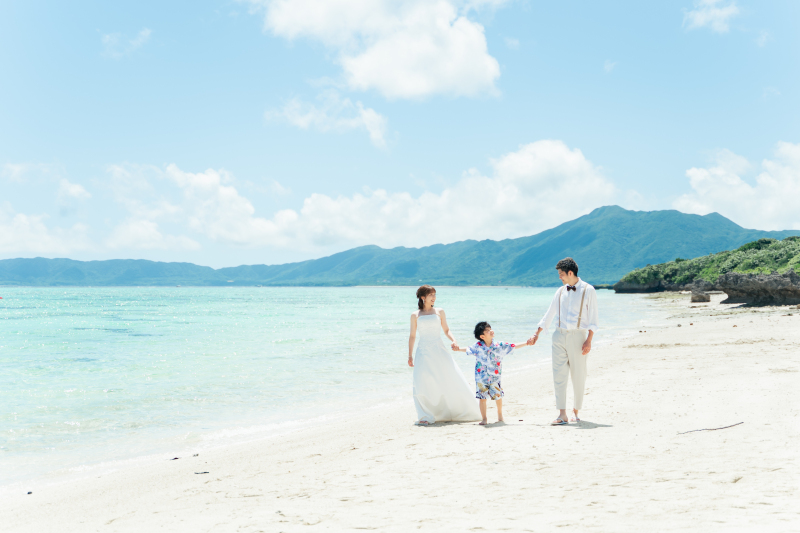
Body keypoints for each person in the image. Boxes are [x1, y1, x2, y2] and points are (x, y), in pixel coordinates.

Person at [529, 258, 598, 426]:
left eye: (561, 274)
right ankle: (562, 414)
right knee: (559, 375)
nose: (559, 277)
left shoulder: (589, 290)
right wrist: (536, 333)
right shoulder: (560, 291)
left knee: (578, 375)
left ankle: (576, 411)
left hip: (578, 337)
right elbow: (549, 314)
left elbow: (593, 320)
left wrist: (589, 340)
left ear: (570, 273)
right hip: (558, 336)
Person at [408, 285, 481, 426]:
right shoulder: (415, 315)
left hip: (439, 349)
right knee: (423, 381)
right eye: (431, 295)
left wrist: (453, 340)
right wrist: (410, 355)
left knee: (447, 376)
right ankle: (425, 414)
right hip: (423, 351)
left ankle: (455, 409)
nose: (434, 297)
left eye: (435, 295)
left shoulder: (439, 311)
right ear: (423, 297)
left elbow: (446, 329)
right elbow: (412, 336)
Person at [453, 322, 533, 425]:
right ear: (482, 336)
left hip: (495, 377)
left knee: (498, 396)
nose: (491, 331)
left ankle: (500, 416)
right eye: (487, 331)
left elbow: (513, 346)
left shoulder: (499, 345)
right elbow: (468, 349)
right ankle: (484, 418)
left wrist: (527, 343)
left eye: (490, 329)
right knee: (482, 398)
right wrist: (458, 349)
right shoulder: (478, 346)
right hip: (481, 377)